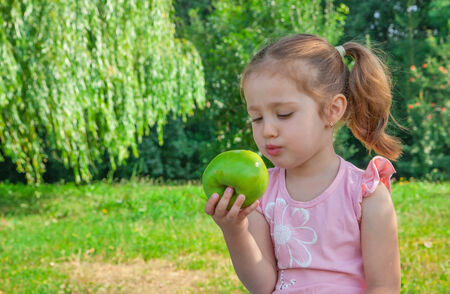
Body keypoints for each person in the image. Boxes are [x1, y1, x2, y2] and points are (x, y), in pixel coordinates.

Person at [204, 34, 401, 294]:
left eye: (284, 114)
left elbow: (384, 287)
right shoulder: (261, 194)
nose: (268, 131)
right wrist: (235, 230)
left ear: (332, 110)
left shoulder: (365, 195)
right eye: (257, 118)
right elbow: (263, 285)